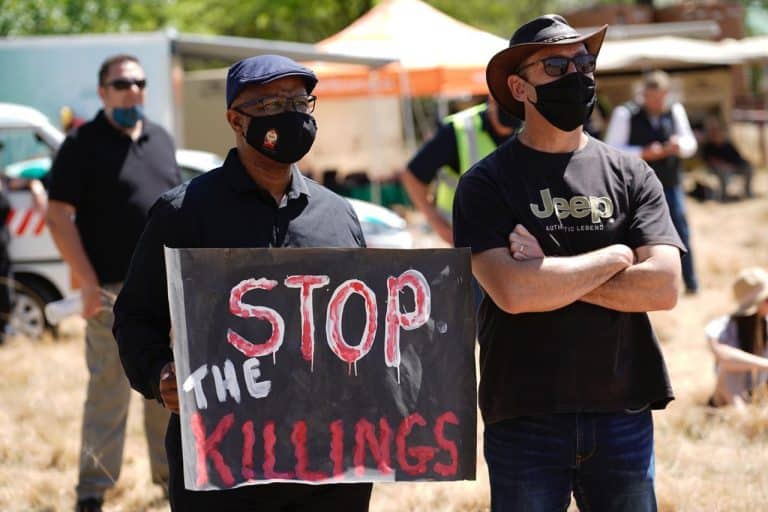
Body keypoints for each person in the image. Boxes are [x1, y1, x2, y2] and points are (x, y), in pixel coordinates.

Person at [112, 55, 372, 511]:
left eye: (299, 102)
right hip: (224, 463)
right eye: (271, 103)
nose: (290, 114)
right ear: (235, 118)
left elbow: (369, 328)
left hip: (329, 465)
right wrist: (159, 375)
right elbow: (136, 318)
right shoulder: (183, 213)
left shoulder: (339, 216)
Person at [454, 15, 684, 511]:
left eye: (585, 62)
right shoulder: (485, 184)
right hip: (524, 417)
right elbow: (513, 294)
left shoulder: (631, 173)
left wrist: (548, 271)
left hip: (622, 410)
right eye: (557, 65)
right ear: (519, 87)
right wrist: (618, 256)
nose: (578, 75)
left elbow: (664, 287)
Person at [46, 54, 178, 512]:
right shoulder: (82, 143)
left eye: (139, 82)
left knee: (166, 391)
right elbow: (58, 215)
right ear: (102, 91)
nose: (133, 90)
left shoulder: (161, 140)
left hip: (164, 298)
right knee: (108, 396)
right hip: (109, 296)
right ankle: (92, 493)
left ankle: (171, 484)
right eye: (122, 83)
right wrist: (84, 283)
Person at [605, 70, 700, 294]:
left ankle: (690, 283)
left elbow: (690, 143)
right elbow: (612, 148)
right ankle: (637, 285)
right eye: (651, 97)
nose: (657, 102)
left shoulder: (674, 111)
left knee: (680, 231)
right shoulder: (625, 113)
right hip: (636, 187)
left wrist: (679, 146)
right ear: (643, 94)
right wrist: (643, 152)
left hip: (669, 182)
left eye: (660, 97)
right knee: (636, 235)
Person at [400, 97, 520, 245]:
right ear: (492, 98)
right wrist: (442, 229)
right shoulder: (458, 130)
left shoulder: (527, 128)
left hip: (510, 246)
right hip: (462, 244)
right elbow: (412, 177)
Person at [706, 267, 768, 409]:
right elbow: (725, 357)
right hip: (731, 397)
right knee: (729, 374)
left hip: (760, 390)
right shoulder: (721, 327)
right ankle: (744, 420)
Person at [700, 117, 753, 201]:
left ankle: (748, 192)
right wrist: (725, 166)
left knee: (748, 168)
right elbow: (710, 161)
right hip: (718, 169)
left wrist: (744, 163)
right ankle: (723, 196)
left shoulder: (727, 145)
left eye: (717, 130)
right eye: (713, 130)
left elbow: (738, 157)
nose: (716, 132)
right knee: (724, 172)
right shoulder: (708, 147)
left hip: (733, 167)